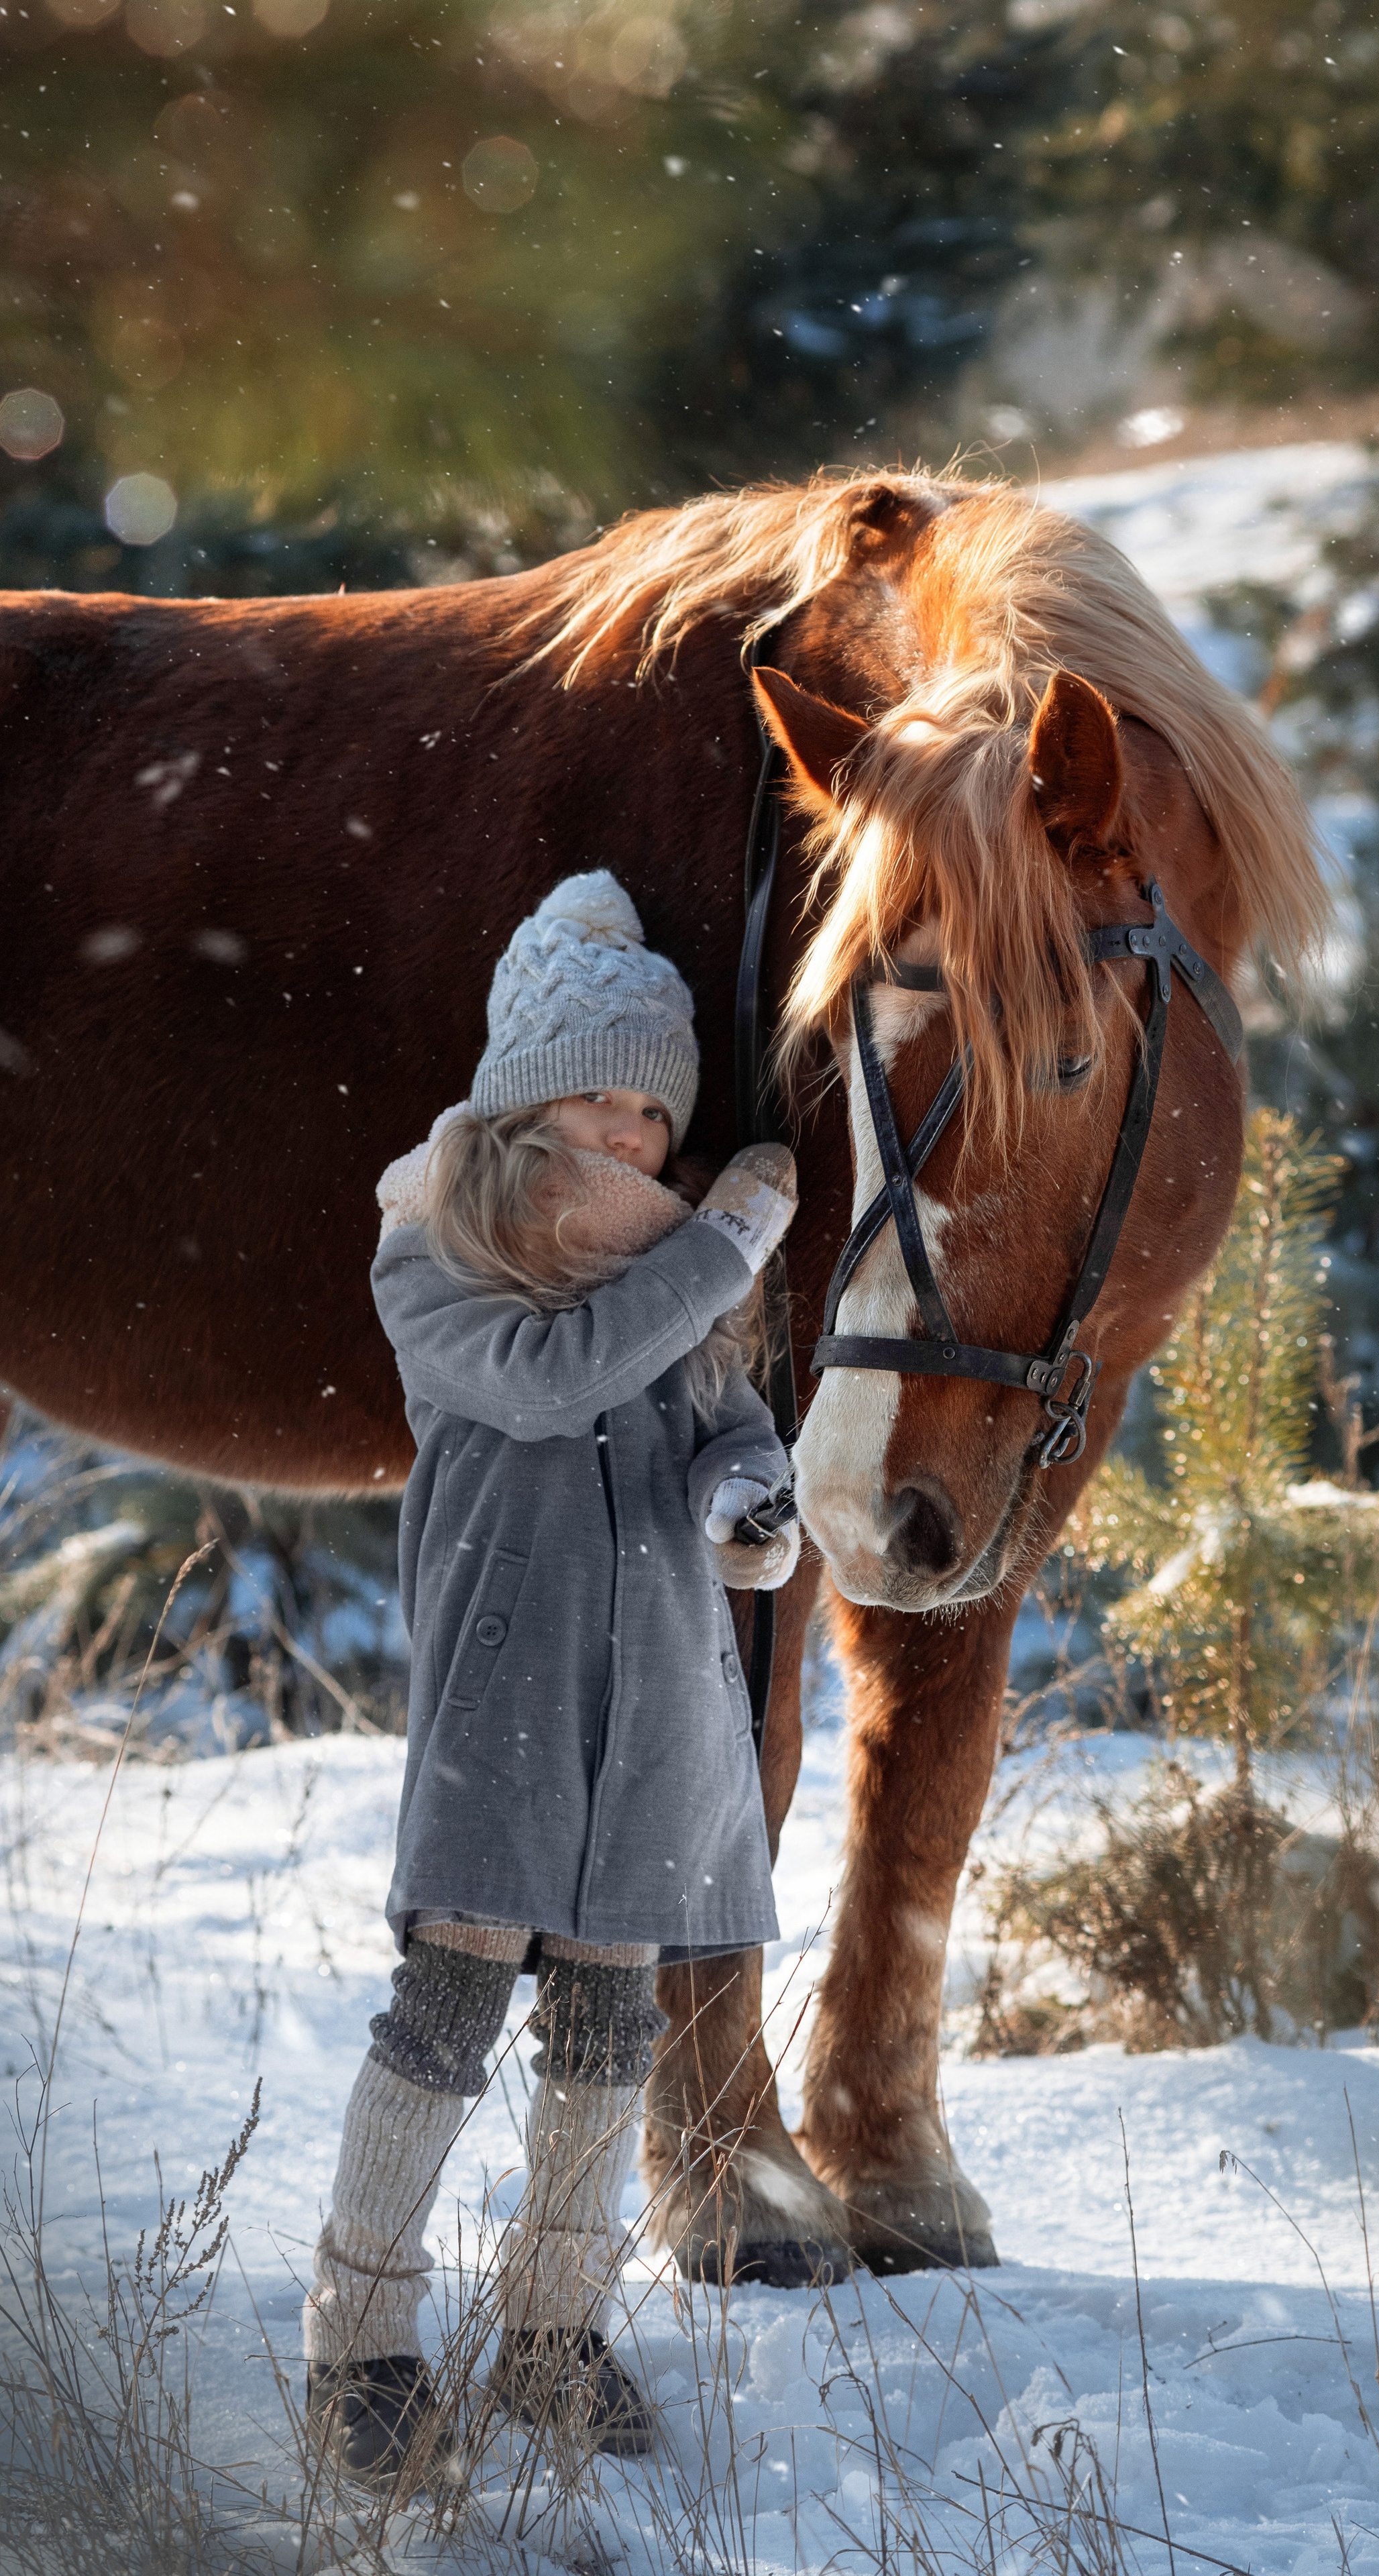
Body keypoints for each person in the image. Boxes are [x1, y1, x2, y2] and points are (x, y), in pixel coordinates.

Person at [302, 871, 798, 2490]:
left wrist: (748, 1505)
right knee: (446, 2005)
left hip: (651, 1692)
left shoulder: (685, 1279)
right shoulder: (432, 1247)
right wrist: (718, 1249)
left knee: (607, 2030)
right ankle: (360, 2350)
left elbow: (715, 1425)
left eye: (658, 1108)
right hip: (507, 1689)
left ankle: (551, 2331)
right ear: (526, 1098)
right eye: (603, 1092)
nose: (638, 1133)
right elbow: (548, 1383)